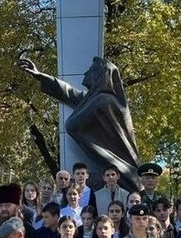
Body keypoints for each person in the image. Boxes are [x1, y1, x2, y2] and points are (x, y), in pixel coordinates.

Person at [20, 57, 142, 191]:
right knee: (75, 187)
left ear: (100, 75)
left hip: (120, 174)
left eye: (90, 71)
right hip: (114, 170)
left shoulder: (104, 101)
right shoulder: (96, 98)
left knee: (75, 187)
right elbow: (68, 92)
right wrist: (39, 75)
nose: (85, 73)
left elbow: (72, 125)